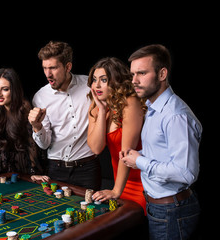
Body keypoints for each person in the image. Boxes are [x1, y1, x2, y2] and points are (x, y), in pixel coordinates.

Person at [121, 44, 202, 239]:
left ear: (162, 74)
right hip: (159, 207)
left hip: (172, 211)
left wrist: (139, 161)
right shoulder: (153, 106)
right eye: (133, 74)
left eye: (141, 73)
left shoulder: (174, 115)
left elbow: (186, 172)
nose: (134, 81)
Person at [28, 41, 105, 190]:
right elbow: (44, 144)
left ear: (68, 66)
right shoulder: (40, 96)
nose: (48, 74)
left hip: (88, 168)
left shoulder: (90, 86)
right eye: (45, 68)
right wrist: (37, 127)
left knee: (93, 212)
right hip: (56, 169)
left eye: (53, 68)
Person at [87, 57, 147, 213]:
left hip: (142, 183)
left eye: (104, 80)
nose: (97, 85)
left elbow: (126, 153)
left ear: (116, 82)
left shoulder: (130, 103)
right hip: (120, 182)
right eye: (94, 80)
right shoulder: (96, 106)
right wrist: (101, 111)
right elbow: (96, 148)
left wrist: (115, 191)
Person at [0, 67, 49, 182]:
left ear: (14, 90)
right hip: (8, 172)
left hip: (26, 171)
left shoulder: (24, 109)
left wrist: (34, 172)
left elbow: (32, 145)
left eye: (5, 89)